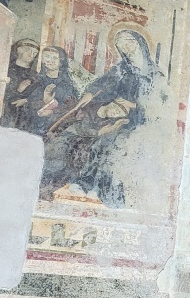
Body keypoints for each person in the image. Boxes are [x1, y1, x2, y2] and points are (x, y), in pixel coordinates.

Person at [43, 28, 160, 207]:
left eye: (129, 41)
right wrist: (89, 94)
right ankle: (76, 182)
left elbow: (159, 107)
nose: (127, 47)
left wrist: (133, 106)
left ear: (140, 43)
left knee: (107, 142)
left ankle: (94, 185)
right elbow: (103, 84)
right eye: (121, 44)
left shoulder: (155, 75)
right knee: (76, 136)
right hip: (112, 116)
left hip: (137, 121)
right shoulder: (121, 69)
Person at [22, 46, 79, 137]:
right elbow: (25, 102)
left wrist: (52, 112)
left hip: (54, 128)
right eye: (47, 57)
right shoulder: (35, 80)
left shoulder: (67, 84)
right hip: (31, 126)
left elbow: (71, 107)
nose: (50, 61)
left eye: (54, 58)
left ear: (61, 61)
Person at [0, 38, 40, 130]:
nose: (32, 55)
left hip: (26, 119)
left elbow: (38, 97)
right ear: (19, 50)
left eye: (35, 53)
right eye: (29, 51)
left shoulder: (35, 76)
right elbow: (1, 96)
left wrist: (27, 100)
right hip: (7, 115)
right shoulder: (7, 70)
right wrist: (19, 90)